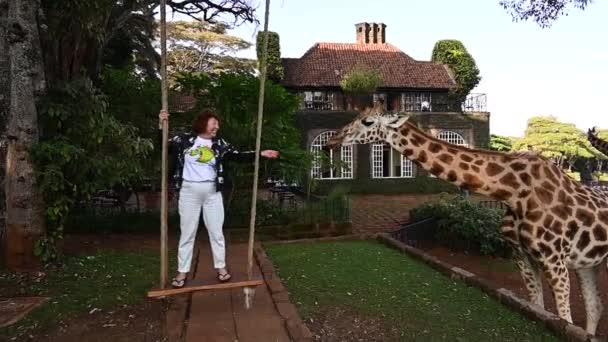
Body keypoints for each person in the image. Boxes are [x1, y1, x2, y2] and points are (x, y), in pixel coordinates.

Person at [158, 109, 279, 288]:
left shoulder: (219, 144)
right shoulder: (184, 140)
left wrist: (260, 153)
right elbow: (163, 145)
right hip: (189, 191)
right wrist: (161, 125)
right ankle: (182, 273)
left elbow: (238, 155)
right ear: (203, 123)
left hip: (212, 192)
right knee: (187, 233)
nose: (217, 127)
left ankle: (221, 268)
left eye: (217, 124)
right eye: (214, 123)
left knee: (216, 232)